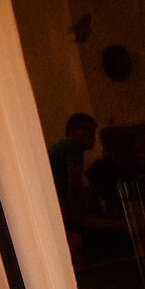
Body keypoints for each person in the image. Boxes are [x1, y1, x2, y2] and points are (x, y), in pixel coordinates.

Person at [47, 112, 98, 261]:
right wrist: (78, 216)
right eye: (87, 130)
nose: (92, 136)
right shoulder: (72, 147)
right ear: (73, 131)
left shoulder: (61, 147)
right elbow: (75, 185)